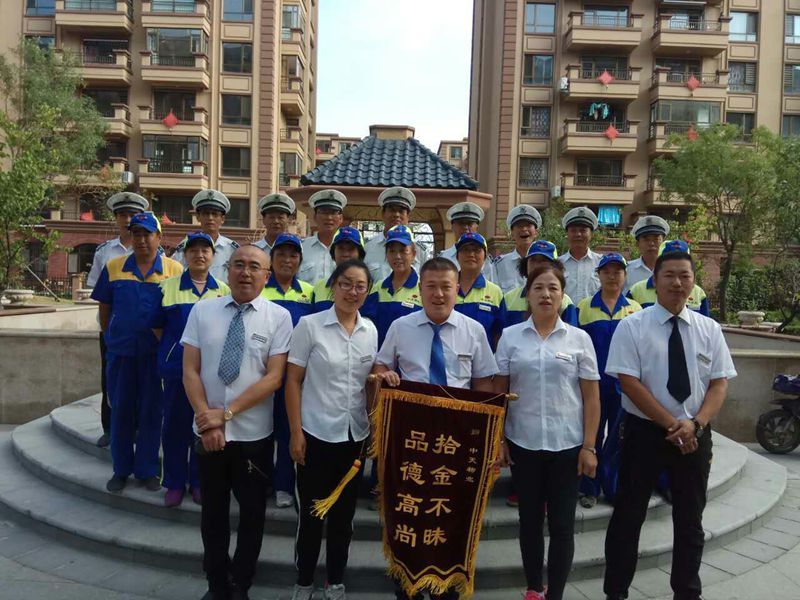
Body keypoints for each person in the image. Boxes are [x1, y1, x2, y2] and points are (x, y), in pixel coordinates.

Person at [602, 246, 737, 600]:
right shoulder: (632, 325)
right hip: (643, 435)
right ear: (655, 280)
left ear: (693, 282)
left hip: (695, 434)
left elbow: (719, 383)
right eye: (670, 276)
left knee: (691, 521)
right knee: (628, 518)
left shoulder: (709, 329)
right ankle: (615, 592)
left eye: (684, 276)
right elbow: (629, 382)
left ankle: (687, 593)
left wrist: (695, 425)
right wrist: (672, 425)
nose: (677, 283)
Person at [373, 257, 498, 600]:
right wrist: (385, 374)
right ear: (420, 290)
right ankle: (407, 584)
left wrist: (489, 439)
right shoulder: (401, 327)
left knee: (450, 511)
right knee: (408, 509)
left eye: (446, 287)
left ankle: (446, 585)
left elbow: (483, 384)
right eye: (431, 286)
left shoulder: (474, 330)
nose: (439, 294)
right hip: (410, 440)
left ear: (457, 289)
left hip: (456, 442)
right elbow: (381, 365)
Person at [182, 245, 292, 600]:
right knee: (213, 515)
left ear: (267, 275)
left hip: (253, 438)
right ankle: (216, 584)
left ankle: (241, 584)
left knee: (252, 516)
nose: (246, 272)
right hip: (209, 435)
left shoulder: (279, 318)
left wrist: (226, 414)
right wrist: (209, 421)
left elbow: (274, 378)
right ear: (227, 270)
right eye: (239, 265)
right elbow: (190, 370)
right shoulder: (203, 311)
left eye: (254, 267)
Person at [494, 262, 601, 600]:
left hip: (567, 446)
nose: (546, 294)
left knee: (562, 525)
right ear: (527, 294)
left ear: (562, 295)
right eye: (538, 287)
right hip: (523, 443)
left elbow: (591, 397)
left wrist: (589, 447)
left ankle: (555, 593)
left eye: (553, 288)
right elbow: (500, 392)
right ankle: (533, 588)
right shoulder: (511, 337)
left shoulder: (579, 339)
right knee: (529, 522)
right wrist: (498, 439)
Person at [286, 259, 377, 600]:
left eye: (360, 286)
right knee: (311, 517)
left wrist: (373, 426)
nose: (352, 292)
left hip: (354, 437)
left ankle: (335, 580)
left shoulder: (370, 331)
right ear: (333, 286)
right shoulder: (310, 326)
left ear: (367, 292)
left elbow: (369, 385)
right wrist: (296, 432)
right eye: (346, 284)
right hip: (315, 435)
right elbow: (293, 382)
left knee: (344, 517)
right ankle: (304, 581)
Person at [90, 212, 184, 493]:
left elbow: (176, 312)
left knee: (152, 412)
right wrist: (112, 338)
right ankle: (121, 469)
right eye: (136, 234)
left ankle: (147, 470)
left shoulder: (174, 270)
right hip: (121, 355)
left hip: (155, 356)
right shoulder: (114, 267)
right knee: (120, 410)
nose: (141, 240)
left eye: (147, 234)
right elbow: (105, 309)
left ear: (159, 237)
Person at [152, 232, 231, 508]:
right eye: (193, 250)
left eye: (205, 250)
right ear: (185, 255)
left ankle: (199, 481)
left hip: (210, 373)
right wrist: (176, 351)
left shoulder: (223, 290)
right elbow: (157, 327)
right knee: (174, 426)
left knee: (204, 425)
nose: (199, 255)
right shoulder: (167, 288)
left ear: (213, 256)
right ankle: (174, 482)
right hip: (176, 370)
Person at [575, 253, 642, 509]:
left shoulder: (635, 310)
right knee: (590, 436)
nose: (612, 276)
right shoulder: (584, 308)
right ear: (599, 275)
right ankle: (588, 488)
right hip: (592, 384)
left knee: (618, 438)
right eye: (607, 271)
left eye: (618, 271)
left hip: (624, 386)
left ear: (625, 275)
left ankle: (613, 488)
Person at [87, 191, 149, 448]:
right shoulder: (105, 252)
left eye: (132, 214)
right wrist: (106, 330)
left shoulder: (153, 251)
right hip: (113, 330)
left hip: (143, 330)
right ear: (116, 218)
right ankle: (109, 427)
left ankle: (137, 427)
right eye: (122, 214)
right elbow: (100, 295)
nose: (127, 219)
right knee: (110, 379)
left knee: (142, 380)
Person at [261, 233, 314, 509]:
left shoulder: (309, 292)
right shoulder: (260, 287)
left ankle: (283, 484)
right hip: (261, 370)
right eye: (281, 254)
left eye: (293, 255)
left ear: (300, 261)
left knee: (286, 427)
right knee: (260, 428)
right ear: (271, 259)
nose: (287, 260)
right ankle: (260, 481)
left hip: (294, 374)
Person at [361, 224, 423, 347]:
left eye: (403, 251)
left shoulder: (423, 288)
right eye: (392, 251)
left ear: (413, 254)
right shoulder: (379, 288)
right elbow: (367, 322)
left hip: (412, 355)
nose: (397, 256)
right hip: (381, 355)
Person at [503, 240, 578, 330]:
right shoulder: (509, 299)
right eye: (533, 260)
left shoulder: (565, 302)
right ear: (525, 264)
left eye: (544, 261)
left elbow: (572, 335)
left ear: (556, 267)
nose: (537, 266)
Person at [172, 189, 239, 283]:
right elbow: (176, 274)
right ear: (198, 217)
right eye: (206, 214)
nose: (210, 218)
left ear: (222, 219)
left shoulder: (232, 249)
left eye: (215, 214)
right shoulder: (185, 247)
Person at [627, 240, 710, 316]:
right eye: (669, 275)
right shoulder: (636, 291)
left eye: (681, 259)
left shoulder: (699, 293)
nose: (677, 283)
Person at [363, 186, 429, 282]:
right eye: (392, 210)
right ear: (383, 214)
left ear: (408, 216)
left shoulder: (419, 251)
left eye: (401, 211)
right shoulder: (368, 247)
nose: (396, 215)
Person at [453, 232, 504, 349]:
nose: (471, 254)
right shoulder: (446, 288)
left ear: (485, 256)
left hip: (482, 358)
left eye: (476, 250)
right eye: (465, 250)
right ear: (457, 256)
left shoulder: (495, 292)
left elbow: (499, 334)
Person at [311, 226, 366, 313]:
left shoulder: (370, 289)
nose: (345, 254)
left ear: (360, 254)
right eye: (341, 248)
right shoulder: (319, 287)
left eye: (351, 249)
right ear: (333, 253)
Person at [298, 189, 346, 284]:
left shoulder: (348, 250)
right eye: (324, 212)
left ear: (341, 218)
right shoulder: (301, 248)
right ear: (315, 217)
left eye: (333, 212)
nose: (329, 217)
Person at [438, 202, 495, 281]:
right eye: (461, 223)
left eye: (469, 223)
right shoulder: (443, 258)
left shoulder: (485, 259)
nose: (465, 227)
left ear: (477, 227)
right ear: (452, 227)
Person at [558, 206, 602, 304]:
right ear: (567, 234)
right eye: (573, 230)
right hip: (565, 313)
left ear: (591, 234)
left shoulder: (601, 263)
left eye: (583, 230)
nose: (578, 234)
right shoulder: (557, 264)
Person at [494, 205, 542, 293]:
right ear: (512, 234)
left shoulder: (545, 262)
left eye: (528, 225)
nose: (524, 229)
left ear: (536, 232)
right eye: (519, 226)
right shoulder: (500, 265)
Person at [624, 215, 670, 293]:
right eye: (646, 239)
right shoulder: (626, 270)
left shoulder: (672, 269)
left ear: (663, 242)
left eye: (656, 239)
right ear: (637, 244)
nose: (651, 243)